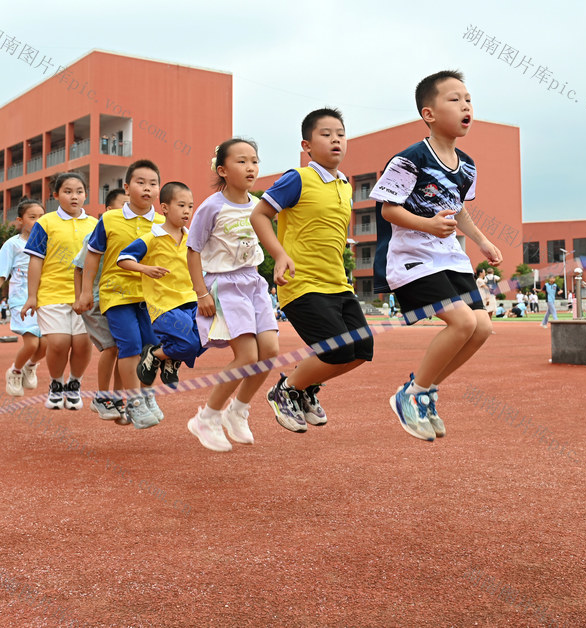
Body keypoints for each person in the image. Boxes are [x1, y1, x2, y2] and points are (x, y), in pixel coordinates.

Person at [370, 71, 501, 441]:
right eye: (455, 99)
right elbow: (388, 210)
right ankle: (408, 395)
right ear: (429, 114)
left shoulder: (468, 165)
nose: (466, 106)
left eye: (469, 99)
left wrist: (482, 242)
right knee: (461, 323)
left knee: (482, 327)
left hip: (450, 257)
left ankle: (423, 389)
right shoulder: (409, 159)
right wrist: (427, 226)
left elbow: (459, 210)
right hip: (412, 255)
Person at [251, 108, 373, 433]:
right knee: (337, 348)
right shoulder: (297, 178)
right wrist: (278, 255)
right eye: (326, 134)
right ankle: (286, 390)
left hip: (338, 284)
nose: (336, 139)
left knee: (362, 349)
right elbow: (259, 215)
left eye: (341, 134)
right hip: (301, 283)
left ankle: (306, 388)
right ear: (306, 146)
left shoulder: (345, 186)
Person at [184, 140, 279, 450]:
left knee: (269, 352)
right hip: (224, 285)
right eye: (242, 161)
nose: (251, 167)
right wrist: (201, 293)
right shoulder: (211, 206)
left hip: (253, 282)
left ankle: (237, 411)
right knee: (247, 356)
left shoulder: (259, 206)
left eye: (254, 160)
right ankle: (207, 417)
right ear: (222, 170)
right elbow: (193, 250)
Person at [79, 160, 164, 428]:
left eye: (153, 183)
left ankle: (146, 395)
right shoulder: (109, 219)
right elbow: (92, 257)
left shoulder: (163, 221)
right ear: (127, 187)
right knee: (129, 345)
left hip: (150, 296)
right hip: (116, 294)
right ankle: (135, 402)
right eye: (141, 183)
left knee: (151, 348)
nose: (147, 188)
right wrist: (84, 292)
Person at [118, 181, 205, 409]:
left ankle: (170, 358)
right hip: (164, 306)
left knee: (212, 336)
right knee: (188, 344)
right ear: (164, 208)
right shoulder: (152, 238)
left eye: (190, 206)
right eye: (181, 205)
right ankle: (156, 355)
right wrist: (146, 269)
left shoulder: (192, 239)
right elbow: (123, 259)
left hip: (192, 300)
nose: (187, 211)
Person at [22, 172, 97, 411]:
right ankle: (56, 384)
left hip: (85, 295)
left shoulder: (95, 224)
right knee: (58, 343)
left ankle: (74, 383)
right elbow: (35, 260)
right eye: (67, 191)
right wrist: (32, 296)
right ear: (56, 195)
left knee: (83, 344)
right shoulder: (45, 223)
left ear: (85, 194)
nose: (74, 196)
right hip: (52, 293)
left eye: (79, 191)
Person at [0, 198, 47, 398]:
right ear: (20, 220)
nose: (37, 221)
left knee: (47, 345)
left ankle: (30, 366)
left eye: (41, 217)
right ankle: (15, 372)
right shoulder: (13, 245)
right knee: (32, 344)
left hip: (44, 299)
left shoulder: (49, 242)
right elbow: (1, 273)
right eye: (32, 217)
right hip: (21, 301)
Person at [72, 189, 128, 424]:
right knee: (111, 348)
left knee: (128, 349)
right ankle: (102, 397)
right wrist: (80, 297)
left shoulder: (135, 235)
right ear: (108, 211)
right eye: (124, 206)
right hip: (97, 299)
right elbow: (78, 267)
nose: (129, 211)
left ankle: (116, 399)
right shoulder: (98, 235)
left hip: (123, 300)